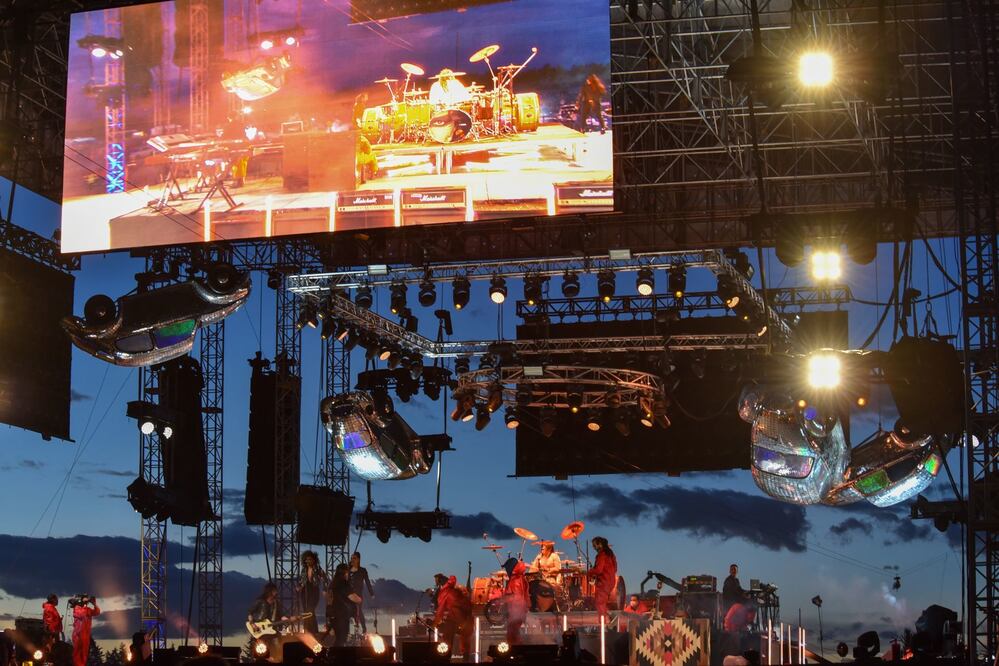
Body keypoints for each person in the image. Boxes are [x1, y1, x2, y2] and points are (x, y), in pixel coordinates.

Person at [433, 575, 473, 658]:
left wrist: (436, 621)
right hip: (462, 621)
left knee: (448, 640)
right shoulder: (459, 595)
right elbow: (468, 608)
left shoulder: (447, 592)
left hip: (455, 620)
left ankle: (446, 656)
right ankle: (464, 657)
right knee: (463, 641)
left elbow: (441, 608)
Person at [327, 564, 361, 647]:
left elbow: (329, 599)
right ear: (345, 573)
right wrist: (359, 599)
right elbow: (352, 597)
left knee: (338, 638)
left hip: (333, 614)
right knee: (341, 640)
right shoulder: (343, 583)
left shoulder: (332, 584)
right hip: (341, 615)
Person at [296, 551, 328, 635]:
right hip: (305, 591)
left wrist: (324, 589)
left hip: (314, 590)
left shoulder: (317, 568)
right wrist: (298, 586)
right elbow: (301, 580)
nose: (307, 561)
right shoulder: (304, 569)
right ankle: (308, 630)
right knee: (306, 611)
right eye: (306, 559)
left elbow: (325, 578)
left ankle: (313, 631)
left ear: (314, 560)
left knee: (310, 610)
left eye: (309, 559)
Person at [587, 537, 617, 621]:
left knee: (599, 603)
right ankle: (610, 617)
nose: (593, 547)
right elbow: (615, 568)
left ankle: (604, 623)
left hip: (604, 582)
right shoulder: (610, 554)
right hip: (611, 581)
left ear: (599, 544)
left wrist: (589, 572)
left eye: (594, 545)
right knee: (602, 603)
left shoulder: (601, 555)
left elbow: (599, 570)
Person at [502, 558, 529, 645]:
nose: (506, 570)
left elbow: (516, 598)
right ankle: (517, 648)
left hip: (516, 612)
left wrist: (505, 601)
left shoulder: (515, 580)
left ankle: (516, 650)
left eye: (507, 568)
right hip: (519, 611)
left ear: (511, 567)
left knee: (512, 634)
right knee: (514, 633)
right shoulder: (519, 577)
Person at [348, 552, 375, 634]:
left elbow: (367, 582)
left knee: (358, 611)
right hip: (349, 594)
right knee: (347, 611)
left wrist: (371, 593)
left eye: (354, 558)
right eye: (351, 558)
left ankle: (364, 629)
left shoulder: (362, 570)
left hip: (358, 594)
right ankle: (346, 631)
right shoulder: (348, 570)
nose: (352, 560)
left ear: (358, 559)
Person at [70, 595, 100, 666]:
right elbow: (82, 614)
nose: (87, 600)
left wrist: (94, 604)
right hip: (78, 634)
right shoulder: (77, 608)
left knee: (84, 652)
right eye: (84, 598)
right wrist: (85, 603)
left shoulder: (87, 609)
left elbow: (97, 612)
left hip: (86, 634)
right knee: (77, 652)